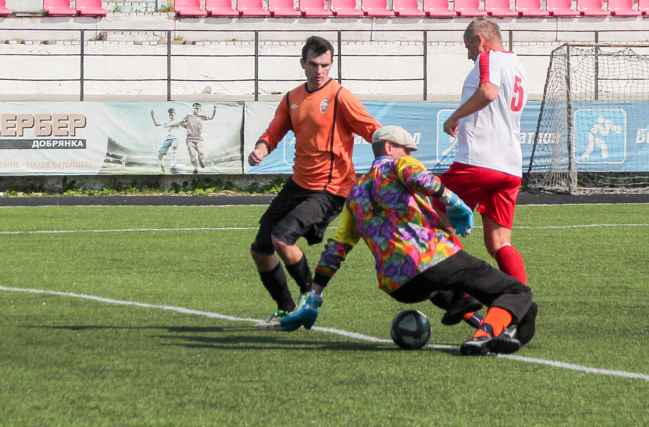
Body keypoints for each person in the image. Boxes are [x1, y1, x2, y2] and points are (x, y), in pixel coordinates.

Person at [279, 125, 538, 356]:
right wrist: (452, 200)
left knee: (446, 290)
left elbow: (337, 249)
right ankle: (485, 335)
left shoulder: (356, 194)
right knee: (516, 291)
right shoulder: (398, 164)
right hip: (433, 259)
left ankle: (470, 309)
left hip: (398, 285)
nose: (409, 154)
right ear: (390, 148)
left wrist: (315, 295)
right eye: (406, 149)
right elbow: (421, 178)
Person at [247, 35, 381, 328]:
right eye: (314, 64)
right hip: (299, 184)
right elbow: (273, 132)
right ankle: (285, 308)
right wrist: (260, 148)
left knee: (282, 238)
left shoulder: (340, 96)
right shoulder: (292, 98)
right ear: (303, 64)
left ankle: (310, 297)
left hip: (330, 188)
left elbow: (372, 129)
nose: (320, 70)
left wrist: (390, 156)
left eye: (325, 65)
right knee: (260, 249)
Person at [439, 19, 528, 308]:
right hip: (510, 167)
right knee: (499, 243)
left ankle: (462, 295)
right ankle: (520, 303)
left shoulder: (489, 57)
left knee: (433, 216)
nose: (469, 56)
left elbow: (488, 92)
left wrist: (454, 117)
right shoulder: (517, 65)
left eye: (469, 48)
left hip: (479, 162)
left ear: (480, 40)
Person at [180, 102, 216, 174]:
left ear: (199, 110)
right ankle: (195, 168)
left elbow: (211, 118)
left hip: (198, 139)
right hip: (190, 140)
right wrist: (186, 127)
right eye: (194, 108)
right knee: (193, 156)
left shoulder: (201, 117)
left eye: (197, 108)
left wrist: (214, 111)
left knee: (201, 153)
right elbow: (181, 123)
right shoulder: (188, 116)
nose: (196, 110)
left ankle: (200, 160)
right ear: (192, 108)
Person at [151, 108, 183, 174]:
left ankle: (173, 165)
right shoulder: (166, 122)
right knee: (160, 155)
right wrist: (153, 116)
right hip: (167, 139)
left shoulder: (178, 121)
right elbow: (156, 124)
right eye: (170, 114)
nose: (171, 116)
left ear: (175, 114)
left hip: (174, 138)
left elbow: (185, 124)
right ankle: (162, 168)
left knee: (174, 147)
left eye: (172, 114)